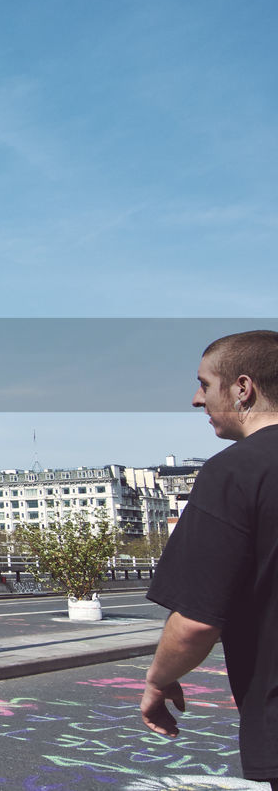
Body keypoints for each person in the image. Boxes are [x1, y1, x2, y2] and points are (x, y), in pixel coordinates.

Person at [142, 330, 278, 787]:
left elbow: (196, 621)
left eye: (205, 384)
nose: (196, 399)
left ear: (243, 389)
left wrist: (159, 679)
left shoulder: (236, 471)